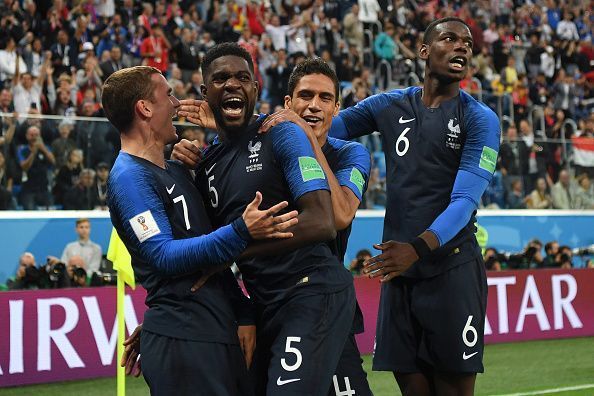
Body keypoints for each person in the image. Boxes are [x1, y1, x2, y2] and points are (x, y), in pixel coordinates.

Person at [175, 57, 373, 396]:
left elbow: (337, 218)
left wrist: (304, 136)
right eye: (305, 96)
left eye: (325, 98)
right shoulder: (267, 140)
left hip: (315, 292)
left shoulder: (351, 154)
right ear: (287, 104)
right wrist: (230, 128)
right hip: (270, 300)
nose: (314, 105)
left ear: (337, 108)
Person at [325, 17, 499, 395]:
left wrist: (417, 249)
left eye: (467, 43)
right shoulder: (389, 105)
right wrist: (246, 126)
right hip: (400, 273)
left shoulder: (479, 119)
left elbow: (465, 201)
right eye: (450, 39)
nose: (462, 47)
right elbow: (323, 127)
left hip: (450, 270)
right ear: (424, 51)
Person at [102, 65, 297, 396]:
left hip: (214, 331)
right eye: (168, 95)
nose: (178, 104)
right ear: (144, 108)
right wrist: (242, 230)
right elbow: (162, 256)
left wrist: (242, 310)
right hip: (185, 342)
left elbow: (209, 260)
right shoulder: (129, 179)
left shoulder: (177, 170)